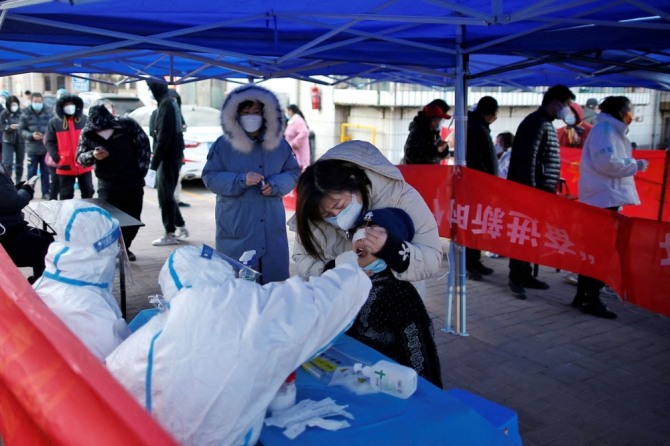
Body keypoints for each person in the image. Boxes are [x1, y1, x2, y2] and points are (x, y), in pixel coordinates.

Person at [291, 140, 443, 296]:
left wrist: (391, 249)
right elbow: (303, 258)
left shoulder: (399, 196)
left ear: (354, 182)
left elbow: (431, 259)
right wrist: (333, 270)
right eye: (327, 215)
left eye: (339, 205)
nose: (337, 216)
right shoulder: (313, 209)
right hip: (341, 304)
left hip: (398, 305)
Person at [202, 84, 301, 284]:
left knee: (274, 286)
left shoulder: (279, 144)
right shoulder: (223, 144)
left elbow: (293, 171)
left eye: (256, 112)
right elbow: (210, 177)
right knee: (238, 286)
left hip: (271, 225)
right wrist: (240, 180)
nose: (251, 116)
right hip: (237, 225)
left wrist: (276, 185)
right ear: (236, 114)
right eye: (246, 112)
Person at [347, 207, 442, 387]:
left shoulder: (400, 292)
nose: (363, 238)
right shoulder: (344, 276)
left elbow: (420, 356)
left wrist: (426, 396)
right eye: (359, 231)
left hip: (386, 384)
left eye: (375, 234)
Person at [573, 96, 648, 320]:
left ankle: (584, 295)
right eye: (628, 110)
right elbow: (607, 163)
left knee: (594, 249)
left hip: (603, 197)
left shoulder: (608, 130)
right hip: (602, 199)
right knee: (599, 250)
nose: (630, 114)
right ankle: (591, 298)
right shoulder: (604, 130)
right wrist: (635, 165)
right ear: (620, 111)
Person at [506, 84, 576, 300]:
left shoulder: (543, 123)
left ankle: (525, 274)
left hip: (539, 191)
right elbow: (527, 160)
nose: (567, 110)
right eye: (566, 105)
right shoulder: (536, 123)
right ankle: (516, 278)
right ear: (556, 102)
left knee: (530, 236)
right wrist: (531, 193)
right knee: (522, 235)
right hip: (530, 192)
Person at [77, 105, 151, 262]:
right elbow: (80, 159)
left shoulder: (127, 125)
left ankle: (126, 246)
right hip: (107, 183)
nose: (101, 132)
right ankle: (113, 248)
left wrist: (140, 172)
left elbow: (144, 147)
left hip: (132, 182)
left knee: (134, 219)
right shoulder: (87, 133)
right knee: (108, 220)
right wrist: (93, 155)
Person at [146, 81, 189, 246]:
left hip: (168, 157)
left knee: (165, 196)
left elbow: (163, 137)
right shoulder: (168, 104)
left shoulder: (167, 105)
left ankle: (170, 232)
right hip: (171, 157)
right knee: (167, 195)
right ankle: (180, 225)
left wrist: (153, 164)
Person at [0, 161, 54, 282]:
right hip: (7, 234)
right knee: (46, 247)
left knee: (46, 237)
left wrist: (19, 188)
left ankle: (39, 281)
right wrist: (27, 190)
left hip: (10, 228)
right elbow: (14, 203)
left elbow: (6, 197)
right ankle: (42, 285)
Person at [465, 96, 499, 280]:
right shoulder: (476, 128)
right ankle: (470, 263)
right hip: (477, 186)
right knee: (473, 226)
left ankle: (475, 261)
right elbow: (478, 161)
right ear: (492, 113)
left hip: (480, 185)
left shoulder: (478, 126)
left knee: (477, 225)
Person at [44, 93, 94, 200]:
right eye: (67, 104)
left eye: (72, 104)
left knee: (88, 191)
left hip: (83, 163)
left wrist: (90, 155)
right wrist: (58, 159)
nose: (70, 107)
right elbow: (49, 142)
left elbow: (92, 138)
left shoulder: (85, 120)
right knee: (66, 194)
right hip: (65, 164)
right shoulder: (54, 122)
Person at [19, 92, 52, 199]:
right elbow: (21, 130)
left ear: (42, 101)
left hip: (45, 148)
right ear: (31, 101)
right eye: (35, 102)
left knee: (46, 172)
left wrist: (47, 136)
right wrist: (31, 135)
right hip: (32, 149)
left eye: (39, 102)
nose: (37, 104)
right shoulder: (25, 113)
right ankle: (29, 193)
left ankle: (46, 192)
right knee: (31, 172)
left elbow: (53, 128)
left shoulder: (49, 112)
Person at [401, 99, 451, 164]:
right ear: (431, 119)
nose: (439, 122)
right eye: (438, 119)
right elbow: (411, 155)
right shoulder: (417, 132)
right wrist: (435, 150)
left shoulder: (433, 133)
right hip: (417, 172)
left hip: (430, 171)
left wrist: (443, 149)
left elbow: (441, 153)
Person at [1, 95, 25, 185]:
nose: (14, 106)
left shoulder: (22, 113)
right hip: (8, 140)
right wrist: (9, 127)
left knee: (20, 163)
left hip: (20, 140)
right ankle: (7, 182)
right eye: (12, 105)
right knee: (7, 163)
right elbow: (1, 126)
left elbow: (26, 125)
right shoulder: (4, 114)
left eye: (15, 104)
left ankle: (18, 182)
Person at [284, 104, 310, 169]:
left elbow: (304, 132)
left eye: (287, 111)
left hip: (298, 152)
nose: (287, 113)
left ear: (291, 111)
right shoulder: (292, 121)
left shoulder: (298, 120)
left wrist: (294, 143)